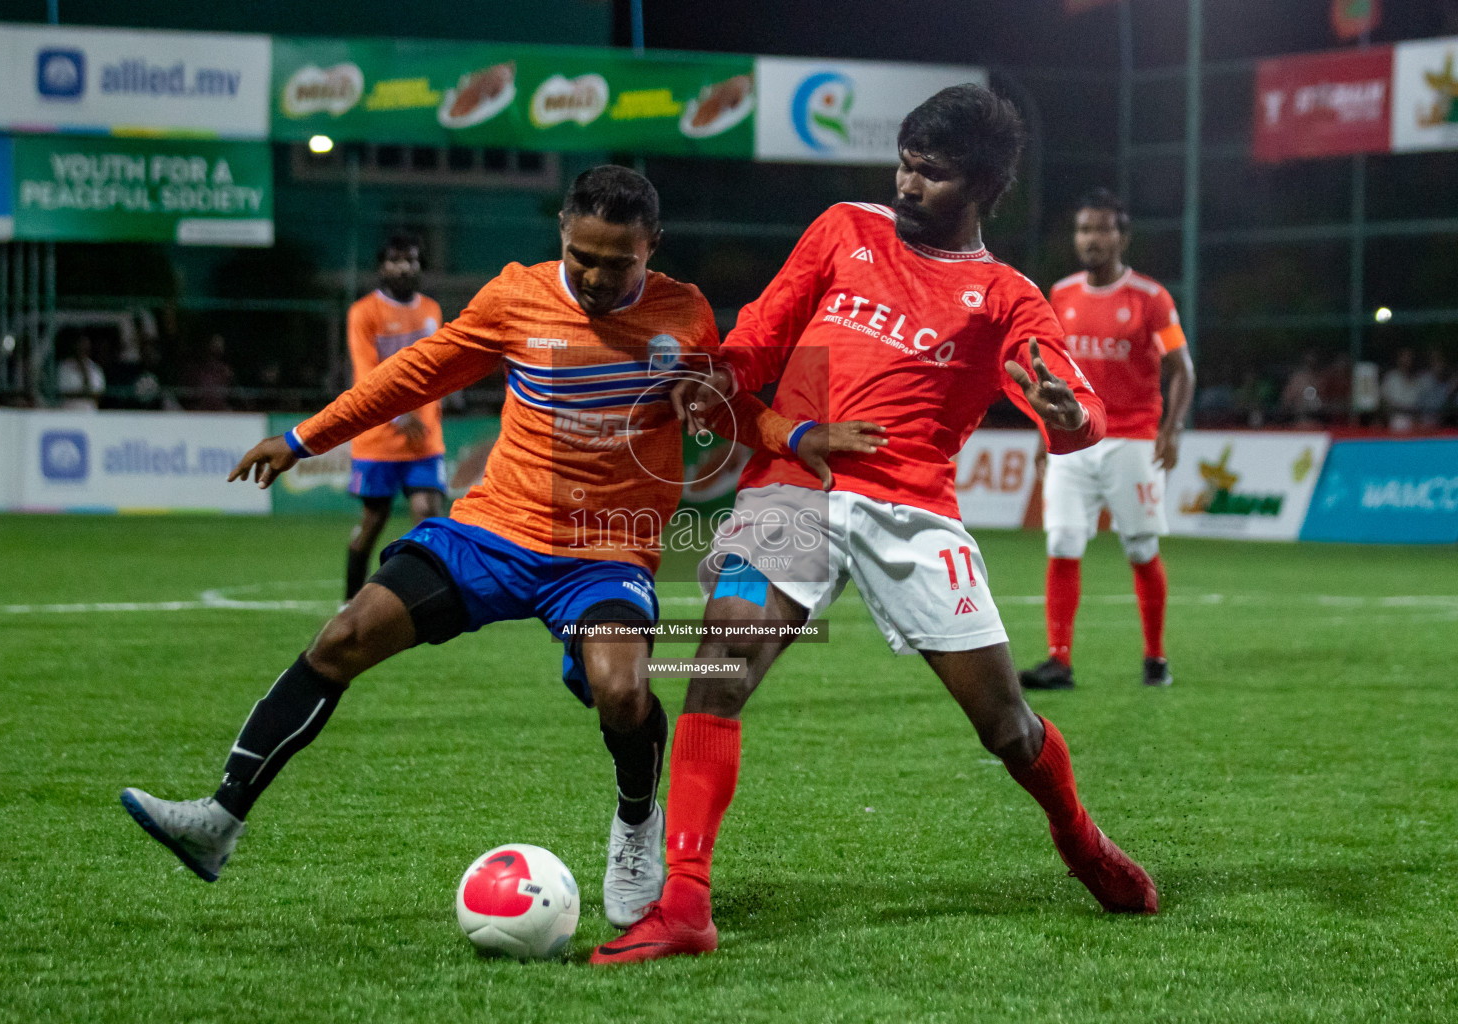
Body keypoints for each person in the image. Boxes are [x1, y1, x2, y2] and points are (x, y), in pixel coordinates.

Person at [118, 166, 835, 930]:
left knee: (623, 693)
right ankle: (218, 820)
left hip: (604, 552)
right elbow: (412, 376)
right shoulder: (515, 298)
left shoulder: (684, 316)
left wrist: (792, 436)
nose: (593, 276)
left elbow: (722, 407)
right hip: (494, 532)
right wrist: (301, 438)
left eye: (615, 262)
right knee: (344, 637)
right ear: (561, 230)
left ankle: (635, 827)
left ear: (650, 247)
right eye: (579, 255)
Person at [594, 85, 1156, 966]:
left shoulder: (1004, 296)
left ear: (981, 184)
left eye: (929, 174)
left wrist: (1069, 415)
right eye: (902, 162)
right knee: (718, 664)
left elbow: (1076, 410)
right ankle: (687, 903)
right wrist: (712, 377)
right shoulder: (842, 229)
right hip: (793, 488)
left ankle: (1080, 839)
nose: (905, 183)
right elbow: (761, 336)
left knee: (1007, 726)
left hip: (913, 511)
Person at [1019, 189, 1195, 692]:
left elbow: (1182, 369)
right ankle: (1059, 660)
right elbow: (1049, 371)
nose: (1090, 239)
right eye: (1083, 229)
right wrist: (1043, 435)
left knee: (1140, 548)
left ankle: (1156, 657)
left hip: (1133, 440)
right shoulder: (1061, 295)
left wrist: (1173, 428)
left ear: (1122, 236)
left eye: (1100, 229)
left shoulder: (1151, 299)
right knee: (1063, 540)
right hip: (1073, 441)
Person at [341, 236, 449, 601]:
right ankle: (351, 601)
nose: (404, 267)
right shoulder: (364, 312)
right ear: (381, 266)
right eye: (395, 260)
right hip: (379, 440)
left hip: (425, 440)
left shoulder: (432, 310)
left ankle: (424, 596)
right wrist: (401, 415)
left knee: (428, 516)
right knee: (373, 523)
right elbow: (367, 373)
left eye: (411, 261)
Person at [57, 333, 105, 410]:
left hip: (89, 412)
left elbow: (98, 393)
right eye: (80, 345)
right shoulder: (65, 367)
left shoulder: (95, 368)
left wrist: (82, 393)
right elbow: (64, 391)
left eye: (85, 346)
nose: (82, 349)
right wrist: (86, 394)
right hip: (70, 411)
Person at [1380, 348, 1421, 432]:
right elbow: (1383, 401)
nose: (1407, 361)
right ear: (1399, 359)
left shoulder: (1419, 380)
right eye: (1405, 357)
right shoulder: (1391, 377)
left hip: (1416, 423)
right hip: (1395, 421)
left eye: (1409, 358)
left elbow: (1421, 405)